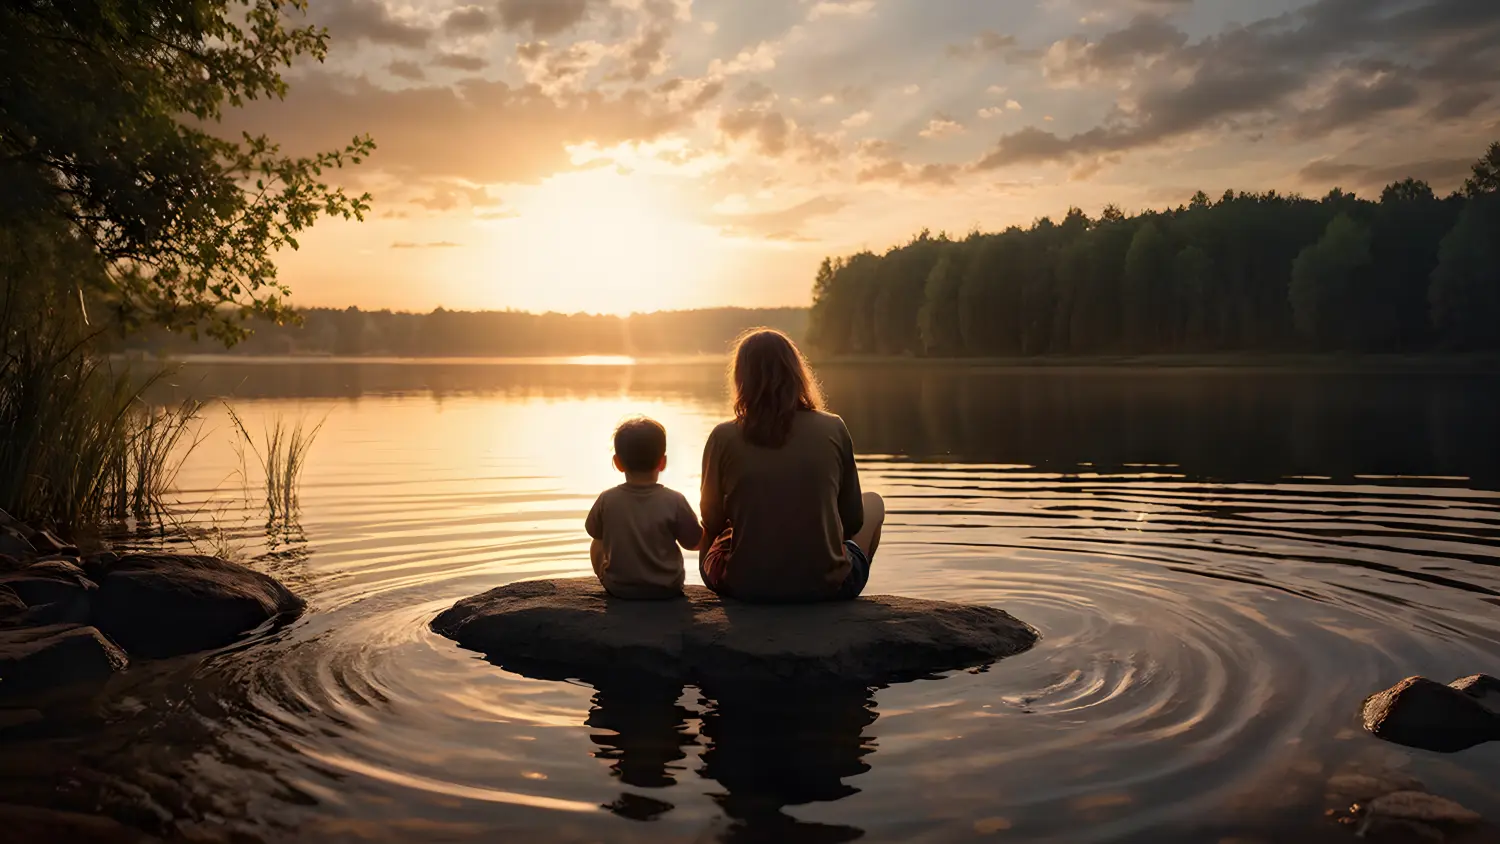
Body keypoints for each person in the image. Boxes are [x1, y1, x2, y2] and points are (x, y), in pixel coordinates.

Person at [699, 329, 885, 603]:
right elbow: (853, 520)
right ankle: (833, 579)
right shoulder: (834, 427)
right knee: (874, 503)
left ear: (741, 379)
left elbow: (711, 521)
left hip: (745, 587)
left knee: (723, 532)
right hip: (827, 588)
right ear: (797, 373)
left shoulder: (723, 436)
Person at [586, 417, 703, 600]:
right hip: (668, 589)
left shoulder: (607, 499)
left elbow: (592, 530)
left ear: (618, 463)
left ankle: (607, 577)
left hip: (619, 589)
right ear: (662, 462)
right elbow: (694, 542)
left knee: (597, 541)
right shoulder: (675, 500)